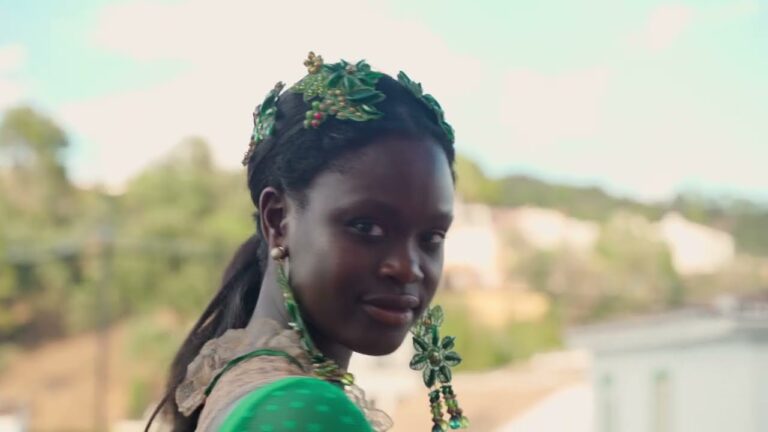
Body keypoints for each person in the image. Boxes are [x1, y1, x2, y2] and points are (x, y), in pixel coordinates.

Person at [149, 52, 468, 432]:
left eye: (431, 237)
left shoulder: (248, 387)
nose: (407, 267)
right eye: (366, 226)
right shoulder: (303, 411)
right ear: (277, 219)